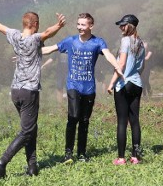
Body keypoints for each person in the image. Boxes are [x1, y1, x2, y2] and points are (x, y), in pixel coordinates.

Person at [0, 4, 65, 178]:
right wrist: (58, 25)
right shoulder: (34, 39)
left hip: (16, 90)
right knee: (27, 131)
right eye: (38, 23)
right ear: (34, 23)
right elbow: (48, 33)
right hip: (29, 91)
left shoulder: (14, 36)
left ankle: (32, 166)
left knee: (30, 128)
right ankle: (2, 163)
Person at [43, 13, 124, 163]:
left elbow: (108, 55)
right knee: (73, 117)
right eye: (78, 24)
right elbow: (49, 49)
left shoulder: (98, 42)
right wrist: (26, 51)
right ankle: (68, 153)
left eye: (83, 25)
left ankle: (81, 153)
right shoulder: (70, 41)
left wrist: (117, 66)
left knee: (85, 120)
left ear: (91, 26)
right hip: (73, 84)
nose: (79, 27)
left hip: (89, 88)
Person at [107, 14, 145, 165]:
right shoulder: (141, 43)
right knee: (135, 121)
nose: (121, 27)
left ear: (130, 26)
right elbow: (142, 66)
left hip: (123, 83)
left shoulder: (125, 41)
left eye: (123, 25)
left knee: (122, 121)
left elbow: (121, 65)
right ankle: (136, 156)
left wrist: (111, 84)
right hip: (137, 83)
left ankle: (121, 158)